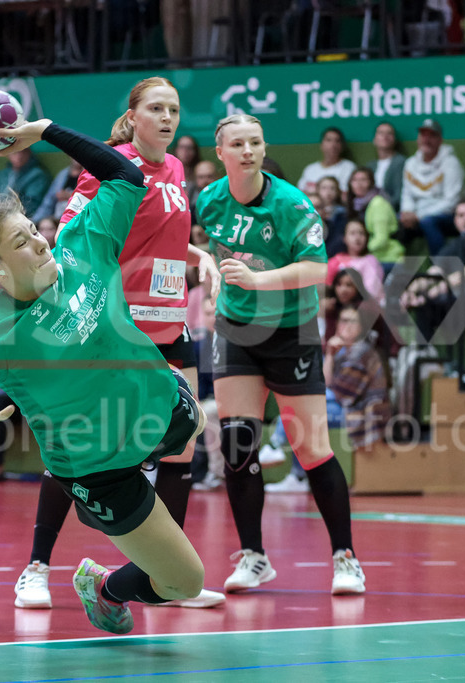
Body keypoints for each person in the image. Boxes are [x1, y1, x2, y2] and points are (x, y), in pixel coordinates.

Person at [0, 115, 207, 636]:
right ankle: (103, 589)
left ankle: (109, 568)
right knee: (185, 583)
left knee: (194, 423)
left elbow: (128, 178)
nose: (40, 243)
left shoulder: (80, 247)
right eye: (21, 243)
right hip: (96, 468)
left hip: (159, 408)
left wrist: (48, 131)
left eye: (34, 231)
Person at [14, 76, 223, 612]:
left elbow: (166, 238)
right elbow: (70, 237)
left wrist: (200, 258)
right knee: (80, 450)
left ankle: (160, 565)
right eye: (157, 108)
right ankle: (35, 567)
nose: (168, 118)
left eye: (175, 109)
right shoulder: (111, 166)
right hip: (117, 334)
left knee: (182, 447)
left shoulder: (176, 170)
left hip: (170, 326)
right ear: (132, 117)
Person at [195, 113, 365, 596]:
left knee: (312, 450)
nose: (247, 151)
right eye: (237, 144)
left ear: (264, 149)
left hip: (291, 332)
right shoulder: (210, 200)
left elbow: (317, 268)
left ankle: (345, 558)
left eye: (255, 142)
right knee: (237, 444)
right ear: (221, 153)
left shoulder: (292, 205)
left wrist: (259, 280)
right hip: (235, 330)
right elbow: (194, 240)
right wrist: (205, 261)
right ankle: (254, 557)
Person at [399, 199, 465, 344]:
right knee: (424, 306)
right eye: (461, 215)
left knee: (448, 295)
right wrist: (411, 291)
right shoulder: (455, 245)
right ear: (455, 220)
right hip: (461, 305)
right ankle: (423, 353)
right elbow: (434, 272)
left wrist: (433, 292)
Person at [324, 304, 392, 455]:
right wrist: (329, 355)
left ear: (361, 328)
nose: (346, 325)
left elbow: (340, 395)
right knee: (308, 408)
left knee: (308, 411)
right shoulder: (342, 352)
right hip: (346, 406)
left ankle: (279, 448)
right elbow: (326, 384)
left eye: (352, 321)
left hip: (365, 414)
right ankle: (298, 474)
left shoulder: (361, 352)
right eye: (343, 320)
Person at [399, 118, 465, 255]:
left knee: (429, 222)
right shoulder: (410, 163)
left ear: (440, 140)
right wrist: (407, 212)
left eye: (432, 136)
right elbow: (407, 193)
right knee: (392, 220)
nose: (426, 139)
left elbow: (452, 201)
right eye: (423, 135)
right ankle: (395, 271)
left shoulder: (451, 163)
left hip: (445, 216)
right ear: (418, 139)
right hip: (416, 214)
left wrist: (419, 216)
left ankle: (440, 269)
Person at [346, 166, 404, 265]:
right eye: (355, 180)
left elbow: (381, 239)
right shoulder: (356, 205)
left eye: (363, 180)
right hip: (372, 258)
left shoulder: (378, 204)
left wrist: (360, 250)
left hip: (388, 259)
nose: (359, 184)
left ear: (371, 183)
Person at [0, 146, 51, 218]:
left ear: (29, 153)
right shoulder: (1, 174)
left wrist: (2, 206)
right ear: (7, 154)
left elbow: (31, 206)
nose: (19, 156)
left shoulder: (37, 175)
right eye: (15, 152)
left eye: (23, 152)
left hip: (20, 218)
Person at [326, 219, 385, 303]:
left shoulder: (371, 261)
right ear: (344, 238)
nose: (357, 238)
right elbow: (325, 288)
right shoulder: (336, 260)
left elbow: (372, 292)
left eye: (361, 233)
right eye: (352, 233)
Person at [297, 127, 357, 197]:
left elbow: (346, 195)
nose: (333, 145)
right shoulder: (310, 169)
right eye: (329, 140)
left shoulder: (349, 167)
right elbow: (299, 194)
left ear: (342, 146)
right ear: (321, 145)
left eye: (337, 141)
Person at [366, 122, 406, 212]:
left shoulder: (400, 162)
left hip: (390, 210)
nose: (385, 136)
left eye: (389, 133)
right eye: (381, 133)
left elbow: (399, 195)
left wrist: (381, 207)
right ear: (374, 140)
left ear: (394, 139)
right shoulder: (370, 166)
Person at [31, 158, 82, 223]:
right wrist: (34, 221)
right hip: (57, 219)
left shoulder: (90, 176)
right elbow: (48, 203)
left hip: (77, 221)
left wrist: (71, 196)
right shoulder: (63, 175)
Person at [317, 175, 348, 257]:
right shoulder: (310, 210)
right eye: (324, 188)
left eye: (332, 188)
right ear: (317, 190)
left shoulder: (343, 213)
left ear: (338, 191)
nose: (328, 192)